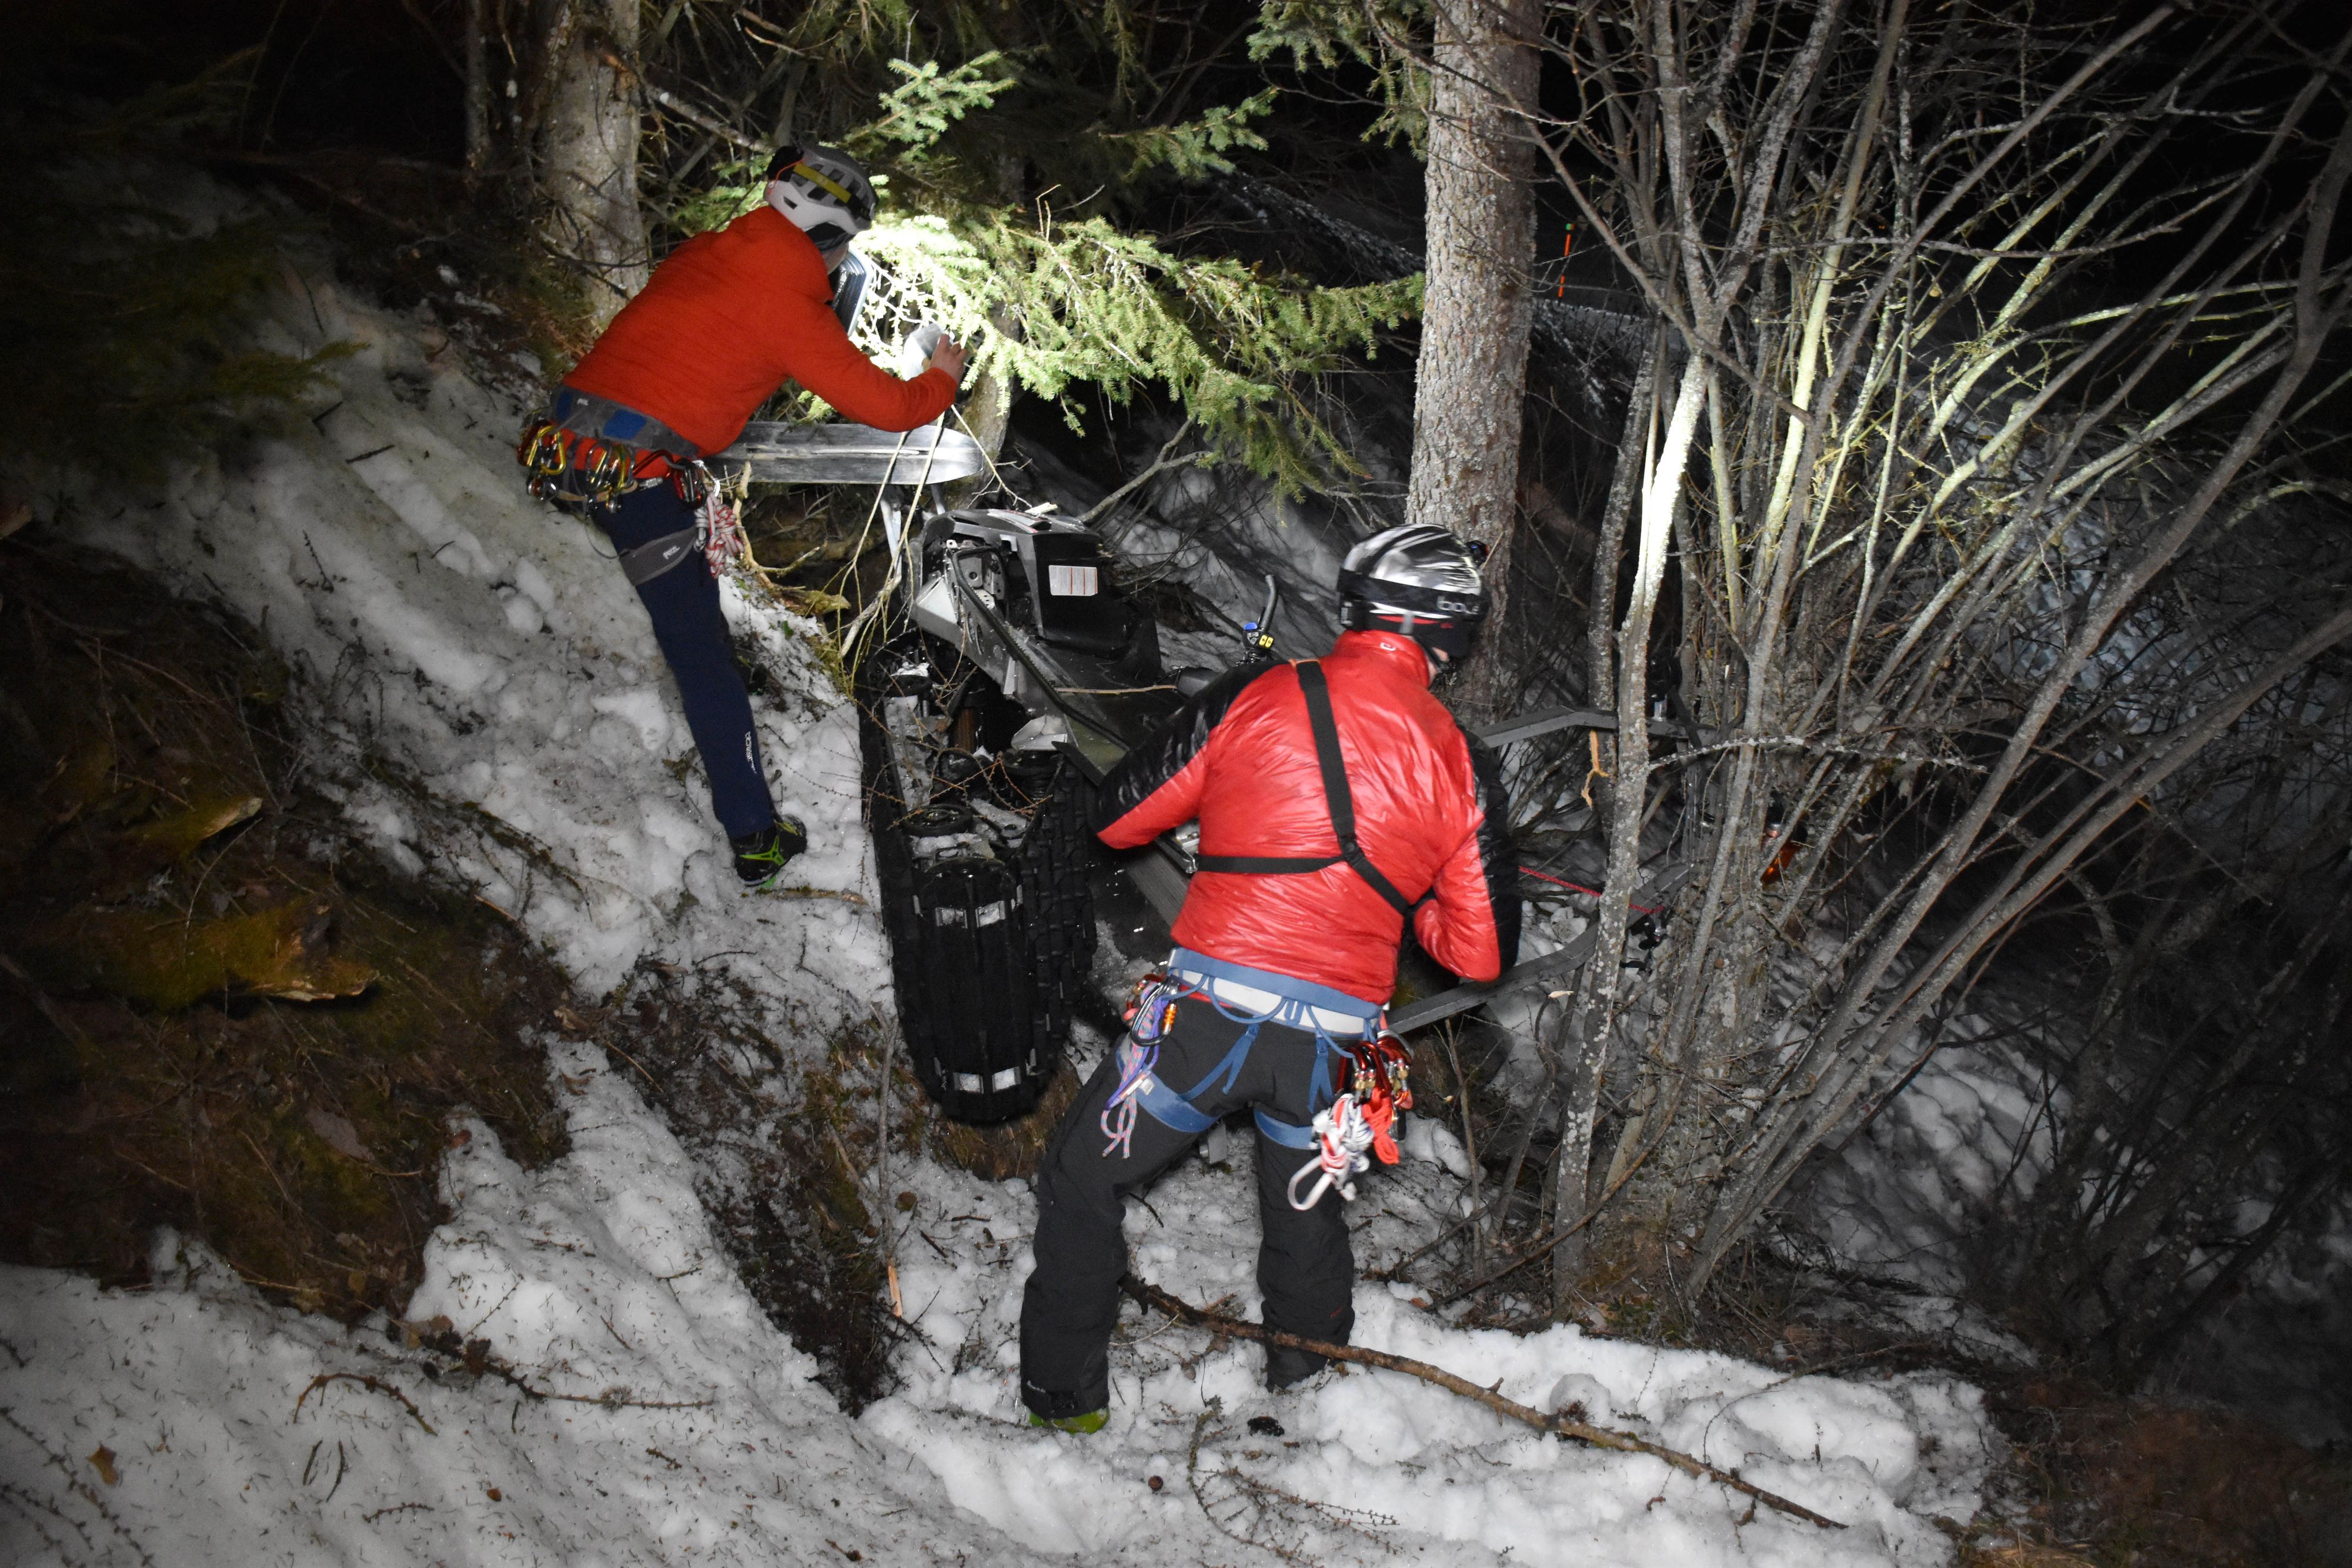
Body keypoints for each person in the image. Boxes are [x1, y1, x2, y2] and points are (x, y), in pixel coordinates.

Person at [1017, 524, 1521, 1432]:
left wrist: (1240, 813)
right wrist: (1405, 903)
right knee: (1306, 1221)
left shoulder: (1261, 693)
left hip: (1204, 1020)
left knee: (1081, 1177)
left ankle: (1065, 1404)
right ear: (1452, 633)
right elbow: (1479, 957)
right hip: (1329, 1050)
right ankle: (1309, 1394)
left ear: (1357, 606)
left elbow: (1119, 817)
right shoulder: (1462, 761)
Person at [518, 145, 968, 889]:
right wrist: (942, 378)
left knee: (691, 631)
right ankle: (756, 837)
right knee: (702, 658)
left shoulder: (703, 253)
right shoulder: (786, 304)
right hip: (637, 477)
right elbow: (891, 408)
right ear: (828, 236)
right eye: (842, 247)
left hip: (572, 445)